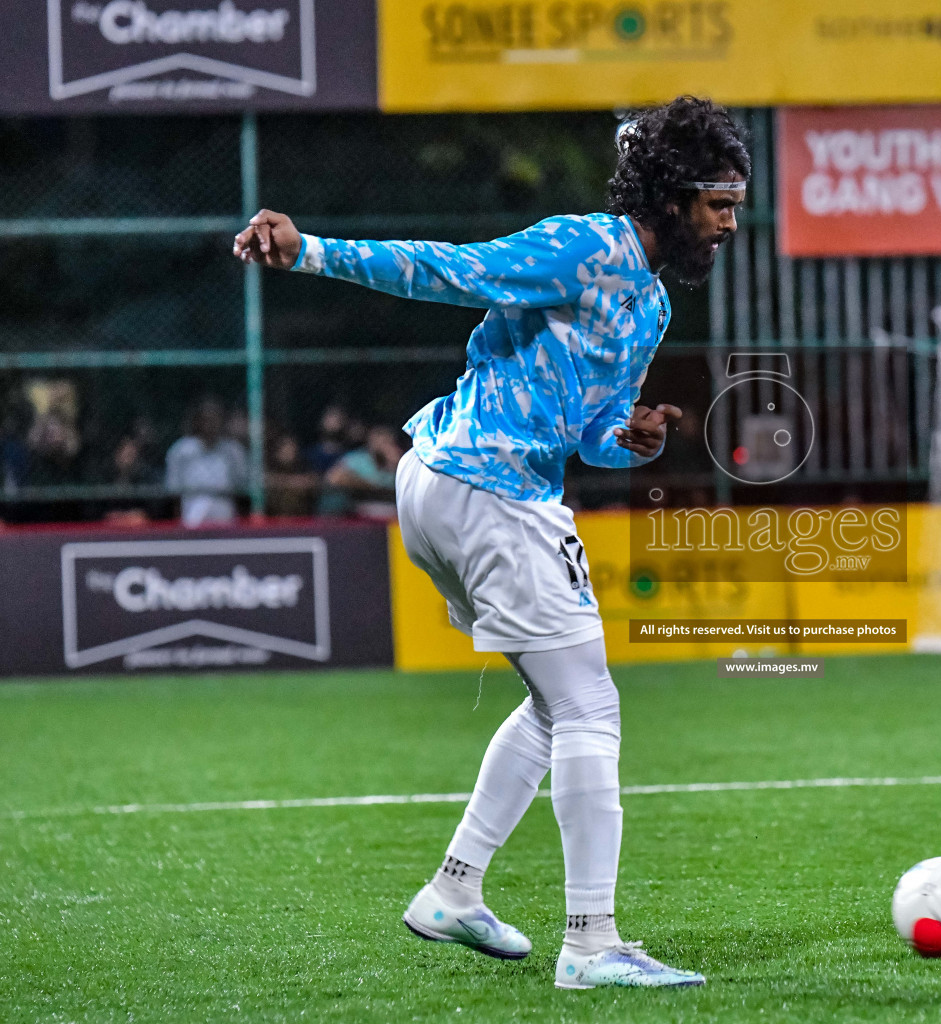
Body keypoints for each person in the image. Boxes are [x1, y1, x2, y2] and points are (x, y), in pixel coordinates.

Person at [233, 96, 748, 989]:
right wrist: (311, 250)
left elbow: (585, 427)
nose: (730, 223)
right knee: (591, 709)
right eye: (718, 202)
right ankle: (591, 944)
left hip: (457, 484)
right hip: (487, 487)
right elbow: (455, 270)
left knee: (557, 709)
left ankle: (454, 891)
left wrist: (625, 437)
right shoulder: (585, 247)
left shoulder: (651, 305)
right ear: (670, 196)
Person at [165, 397, 249, 527]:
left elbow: (241, 490)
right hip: (192, 514)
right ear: (197, 421)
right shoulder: (181, 450)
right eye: (206, 419)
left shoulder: (233, 451)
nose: (211, 424)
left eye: (216, 419)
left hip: (225, 513)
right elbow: (175, 493)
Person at [319, 426, 408, 519]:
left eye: (387, 441)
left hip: (385, 510)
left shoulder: (396, 461)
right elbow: (334, 478)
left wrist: (395, 464)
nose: (383, 445)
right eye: (380, 440)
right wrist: (371, 485)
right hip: (349, 511)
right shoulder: (358, 459)